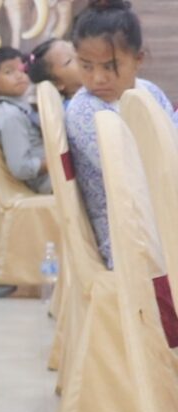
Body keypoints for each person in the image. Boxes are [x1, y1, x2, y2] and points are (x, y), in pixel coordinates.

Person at [66, 0, 178, 269]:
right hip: (131, 236)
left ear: (138, 59)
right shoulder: (85, 112)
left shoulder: (148, 91)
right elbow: (137, 179)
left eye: (110, 66)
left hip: (163, 214)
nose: (98, 78)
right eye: (86, 66)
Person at [0, 47, 52, 194]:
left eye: (22, 69)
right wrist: (57, 162)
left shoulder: (20, 105)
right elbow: (21, 168)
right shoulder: (10, 115)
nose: (19, 76)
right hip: (47, 181)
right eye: (9, 72)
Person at [27, 38, 84, 104]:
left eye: (75, 49)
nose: (78, 55)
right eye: (68, 61)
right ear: (57, 84)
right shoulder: (78, 107)